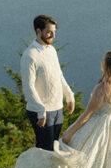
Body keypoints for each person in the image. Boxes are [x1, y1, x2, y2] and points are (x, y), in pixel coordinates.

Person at [20, 15, 75, 150]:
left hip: (57, 109)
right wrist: (40, 110)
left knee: (55, 147)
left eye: (54, 32)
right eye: (49, 32)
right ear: (39, 31)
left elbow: (58, 75)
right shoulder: (30, 55)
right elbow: (28, 87)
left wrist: (69, 95)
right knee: (45, 150)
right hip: (42, 112)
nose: (53, 36)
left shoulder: (51, 50)